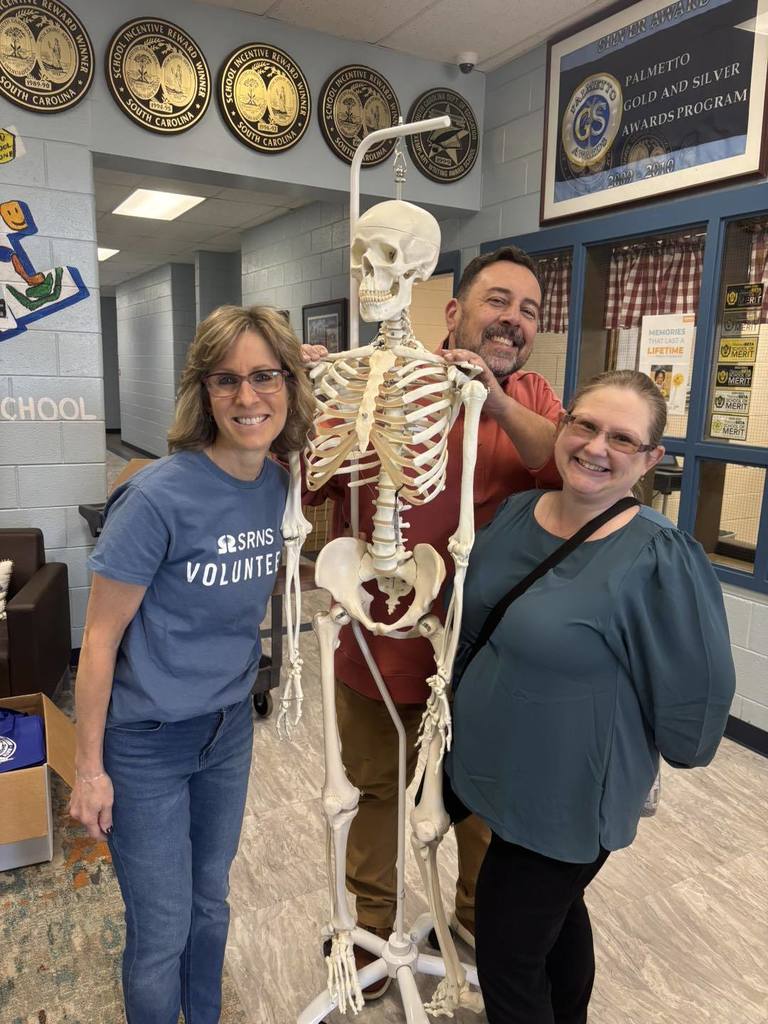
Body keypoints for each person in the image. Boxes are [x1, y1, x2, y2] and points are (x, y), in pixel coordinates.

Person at [304, 246, 564, 997]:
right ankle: (372, 929)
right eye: (498, 302)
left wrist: (495, 397)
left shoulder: (533, 396)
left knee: (480, 801)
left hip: (481, 657)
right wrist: (308, 393)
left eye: (529, 311)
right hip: (376, 644)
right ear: (453, 312)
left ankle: (475, 926)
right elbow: (311, 483)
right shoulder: (385, 388)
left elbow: (560, 461)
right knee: (375, 793)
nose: (513, 321)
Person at [447, 369, 736, 1024]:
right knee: (558, 919)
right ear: (563, 424)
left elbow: (696, 707)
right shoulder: (519, 513)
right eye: (585, 425)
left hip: (569, 800)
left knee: (508, 951)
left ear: (650, 460)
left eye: (623, 438)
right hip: (501, 773)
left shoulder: (658, 558)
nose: (596, 446)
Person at [68, 306, 318, 1024]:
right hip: (146, 743)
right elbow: (98, 642)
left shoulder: (278, 487)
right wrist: (89, 769)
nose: (248, 398)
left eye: (266, 377)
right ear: (202, 392)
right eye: (227, 380)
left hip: (227, 731)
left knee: (211, 902)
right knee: (162, 931)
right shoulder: (155, 497)